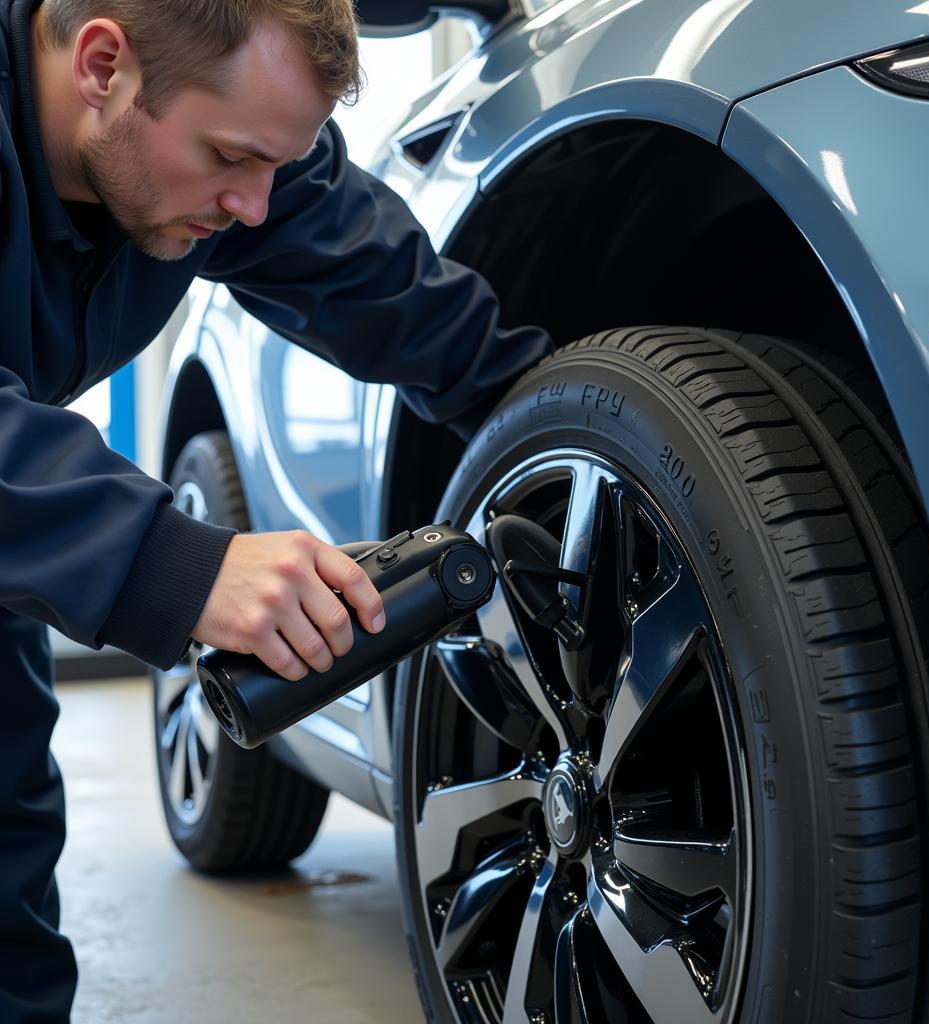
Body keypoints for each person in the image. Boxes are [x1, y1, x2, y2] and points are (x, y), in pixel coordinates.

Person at [0, 0, 553, 1018]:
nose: (252, 208)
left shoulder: (227, 160)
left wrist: (562, 411)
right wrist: (178, 561)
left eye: (278, 167)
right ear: (101, 63)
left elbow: (394, 293)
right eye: (230, 157)